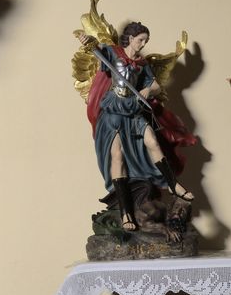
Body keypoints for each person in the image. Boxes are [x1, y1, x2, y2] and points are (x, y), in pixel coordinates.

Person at [79, 22, 194, 231]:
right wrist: (88, 41)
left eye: (145, 41)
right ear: (131, 38)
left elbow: (155, 85)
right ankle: (126, 213)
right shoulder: (113, 53)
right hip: (114, 110)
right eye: (140, 40)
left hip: (133, 108)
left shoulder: (142, 63)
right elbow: (97, 49)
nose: (143, 44)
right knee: (117, 156)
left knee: (152, 141)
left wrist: (148, 90)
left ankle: (173, 184)